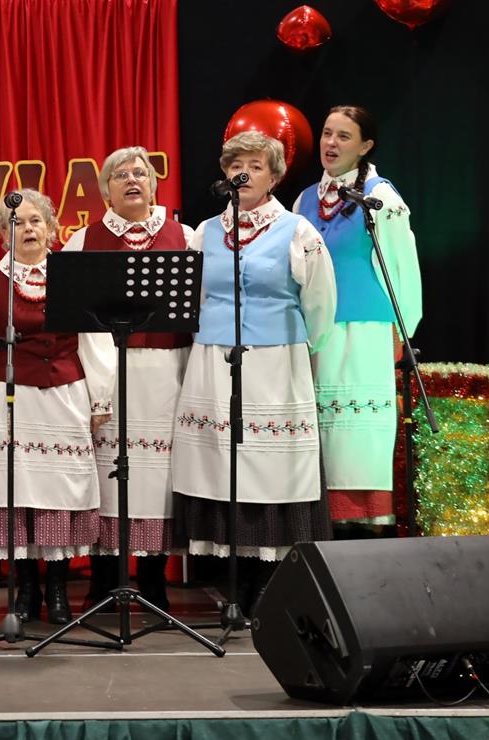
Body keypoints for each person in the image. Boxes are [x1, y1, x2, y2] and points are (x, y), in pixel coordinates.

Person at [170, 131, 336, 611]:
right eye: (235, 165)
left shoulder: (299, 232)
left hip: (275, 360)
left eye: (255, 166)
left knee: (270, 465)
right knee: (221, 464)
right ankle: (233, 579)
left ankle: (267, 580)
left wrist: (297, 349)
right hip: (214, 359)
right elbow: (196, 299)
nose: (242, 173)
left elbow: (320, 303)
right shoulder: (205, 232)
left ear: (274, 177)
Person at [0, 189, 114, 624]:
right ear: (2, 235)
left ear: (51, 229)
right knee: (17, 496)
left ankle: (58, 590)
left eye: (35, 221)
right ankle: (25, 589)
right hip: (10, 398)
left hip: (65, 395)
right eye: (17, 223)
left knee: (60, 494)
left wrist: (100, 398)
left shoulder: (72, 276)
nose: (27, 229)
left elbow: (95, 339)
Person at [63, 146, 195, 611]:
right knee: (108, 475)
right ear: (106, 191)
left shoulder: (184, 236)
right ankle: (103, 580)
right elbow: (72, 318)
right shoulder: (83, 241)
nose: (132, 180)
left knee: (158, 479)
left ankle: (155, 581)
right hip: (106, 373)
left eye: (141, 173)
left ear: (154, 185)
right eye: (121, 175)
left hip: (166, 372)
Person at [293, 106, 423, 530]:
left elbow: (402, 268)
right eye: (327, 133)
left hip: (364, 331)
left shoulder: (381, 199)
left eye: (343, 136)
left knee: (357, 435)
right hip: (315, 332)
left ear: (366, 146)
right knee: (319, 433)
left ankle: (366, 527)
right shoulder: (305, 200)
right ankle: (321, 523)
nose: (330, 143)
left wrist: (401, 330)